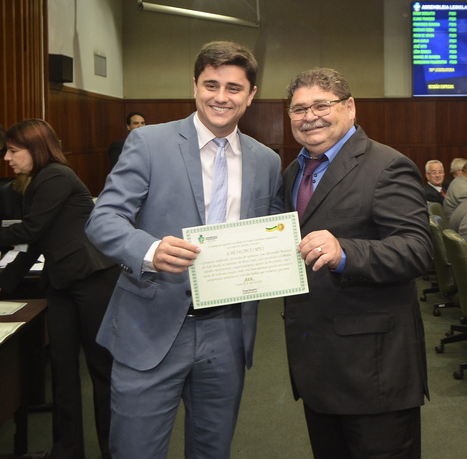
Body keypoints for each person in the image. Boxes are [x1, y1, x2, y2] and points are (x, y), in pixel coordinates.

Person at [85, 41, 283, 459]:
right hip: (149, 327)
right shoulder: (148, 142)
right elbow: (103, 219)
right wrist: (149, 249)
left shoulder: (266, 161)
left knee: (213, 451)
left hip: (227, 333)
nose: (220, 97)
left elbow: (271, 234)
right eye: (211, 85)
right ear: (194, 86)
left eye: (233, 88)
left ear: (250, 95)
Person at [282, 67, 432, 458]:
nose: (309, 117)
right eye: (299, 109)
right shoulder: (293, 172)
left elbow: (417, 249)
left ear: (349, 107)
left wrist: (345, 251)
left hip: (375, 372)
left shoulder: (387, 165)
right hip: (317, 367)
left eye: (321, 105)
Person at [0, 119, 121, 459]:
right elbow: (38, 240)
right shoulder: (37, 181)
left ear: (35, 149)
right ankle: (67, 449)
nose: (7, 158)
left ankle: (114, 449)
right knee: (63, 369)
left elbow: (31, 230)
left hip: (93, 280)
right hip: (62, 283)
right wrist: (6, 283)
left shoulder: (55, 176)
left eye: (13, 151)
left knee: (101, 370)